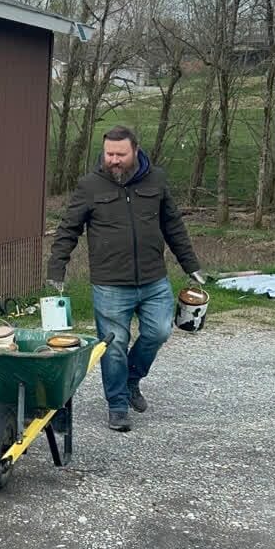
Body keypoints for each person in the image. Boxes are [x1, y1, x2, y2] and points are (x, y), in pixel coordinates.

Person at [46, 125, 205, 433]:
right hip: (110, 282)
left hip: (153, 278)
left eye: (120, 154)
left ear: (135, 151)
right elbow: (68, 229)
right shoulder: (90, 185)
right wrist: (57, 269)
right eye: (109, 154)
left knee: (159, 332)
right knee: (115, 345)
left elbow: (172, 224)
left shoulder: (156, 180)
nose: (114, 160)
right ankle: (117, 404)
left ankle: (132, 379)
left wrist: (190, 264)